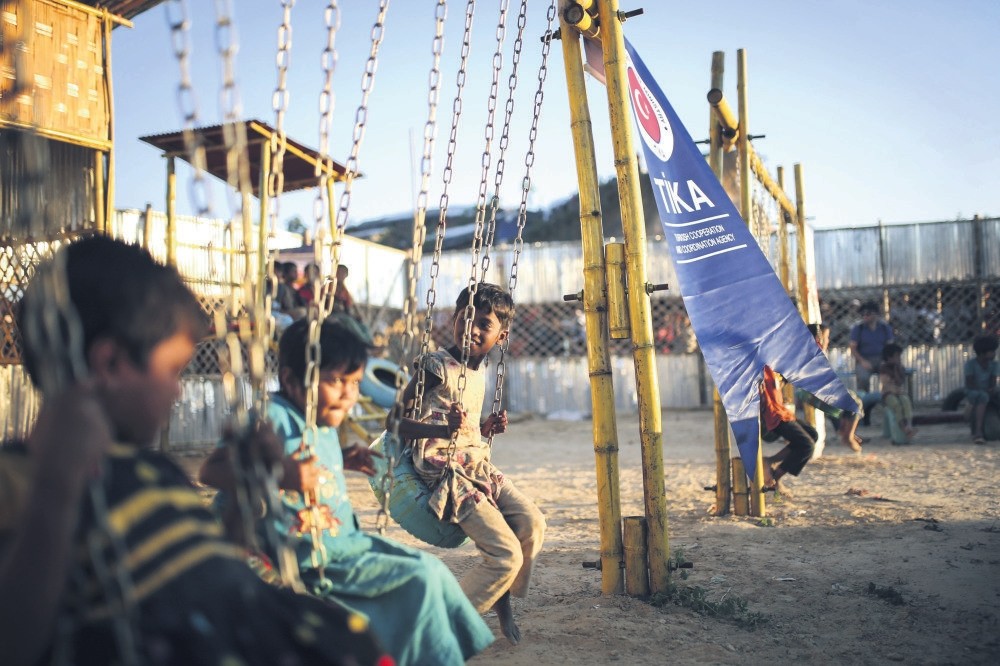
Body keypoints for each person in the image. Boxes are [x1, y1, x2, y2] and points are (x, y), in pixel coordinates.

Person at [0, 236, 389, 666]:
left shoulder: (155, 472)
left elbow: (216, 569)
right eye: (173, 371)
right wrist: (57, 487)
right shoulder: (18, 481)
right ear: (110, 365)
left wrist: (245, 492)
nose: (179, 390)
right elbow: (14, 638)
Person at [200, 318, 494, 666]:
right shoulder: (272, 417)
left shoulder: (321, 423)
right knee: (420, 580)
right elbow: (212, 471)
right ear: (293, 380)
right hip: (306, 558)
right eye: (335, 380)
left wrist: (341, 458)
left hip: (343, 541)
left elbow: (311, 467)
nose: (347, 393)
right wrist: (280, 474)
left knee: (432, 570)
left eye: (354, 382)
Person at [395, 283, 546, 645]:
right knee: (505, 554)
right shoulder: (436, 366)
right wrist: (441, 427)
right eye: (466, 318)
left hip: (475, 463)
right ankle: (439, 628)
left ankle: (498, 596)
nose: (472, 329)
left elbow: (460, 428)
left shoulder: (479, 371)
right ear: (454, 317)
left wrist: (482, 428)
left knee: (531, 524)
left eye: (484, 324)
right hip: (444, 472)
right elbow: (395, 422)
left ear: (501, 335)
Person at [794, 323, 864, 452]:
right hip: (813, 392)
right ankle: (848, 437)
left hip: (809, 392)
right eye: (826, 338)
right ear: (818, 339)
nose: (828, 341)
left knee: (841, 408)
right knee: (856, 403)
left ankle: (846, 433)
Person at [759, 365, 819, 495]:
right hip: (770, 416)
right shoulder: (755, 364)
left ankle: (770, 461)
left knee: (812, 434)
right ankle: (775, 479)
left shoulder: (775, 363)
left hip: (780, 411)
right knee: (807, 446)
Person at [849, 300, 894, 424]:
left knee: (889, 376)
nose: (865, 317)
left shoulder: (884, 328)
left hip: (881, 358)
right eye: (863, 314)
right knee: (863, 378)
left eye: (868, 314)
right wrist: (862, 361)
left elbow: (890, 347)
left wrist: (886, 362)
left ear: (875, 314)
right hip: (864, 359)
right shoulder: (858, 328)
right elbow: (853, 348)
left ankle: (887, 404)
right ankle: (865, 409)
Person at [879, 342, 917, 444]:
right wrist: (894, 390)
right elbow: (886, 384)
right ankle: (903, 427)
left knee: (906, 401)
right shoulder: (884, 368)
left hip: (899, 393)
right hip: (888, 394)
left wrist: (897, 369)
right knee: (896, 405)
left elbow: (900, 382)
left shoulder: (900, 368)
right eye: (897, 356)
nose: (899, 358)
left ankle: (909, 425)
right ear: (889, 357)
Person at [965, 333, 999, 444]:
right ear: (982, 353)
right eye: (992, 351)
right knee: (982, 396)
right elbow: (970, 383)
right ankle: (978, 432)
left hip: (986, 390)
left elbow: (993, 381)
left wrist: (992, 388)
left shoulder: (994, 364)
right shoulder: (970, 364)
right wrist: (984, 390)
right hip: (973, 391)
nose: (994, 354)